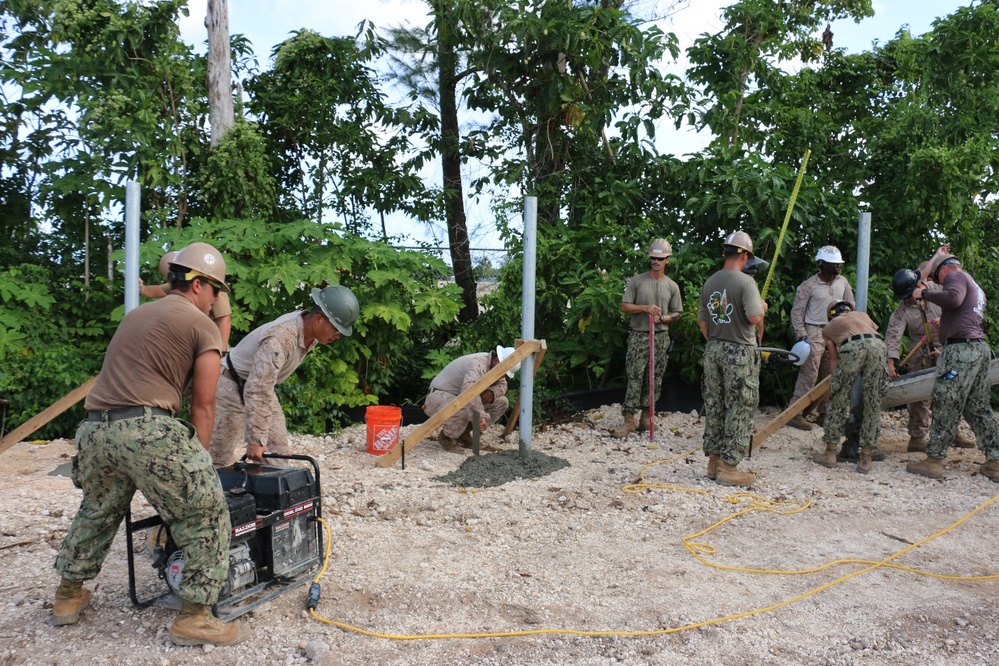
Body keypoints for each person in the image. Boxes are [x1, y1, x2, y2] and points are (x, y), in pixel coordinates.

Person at [53, 242, 250, 646]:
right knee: (206, 512)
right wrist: (203, 465)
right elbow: (204, 404)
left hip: (94, 429)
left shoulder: (137, 315)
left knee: (98, 510)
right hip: (146, 430)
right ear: (197, 285)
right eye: (216, 289)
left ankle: (68, 596)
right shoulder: (202, 326)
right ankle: (195, 616)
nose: (217, 299)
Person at [208, 284, 359, 466]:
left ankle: (274, 492)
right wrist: (256, 440)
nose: (338, 335)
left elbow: (262, 387)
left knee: (278, 456)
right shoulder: (281, 338)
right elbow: (257, 388)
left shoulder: (312, 334)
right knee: (217, 458)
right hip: (230, 385)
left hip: (262, 387)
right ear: (319, 319)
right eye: (336, 329)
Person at [906, 247, 999, 481]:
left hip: (961, 351)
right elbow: (960, 307)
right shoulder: (974, 286)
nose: (938, 282)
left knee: (945, 401)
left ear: (945, 269)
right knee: (977, 407)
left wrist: (924, 295)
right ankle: (995, 461)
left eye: (938, 278)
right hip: (977, 349)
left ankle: (934, 460)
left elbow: (953, 297)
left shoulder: (956, 276)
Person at [697, 231, 766, 487]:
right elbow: (754, 318)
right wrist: (762, 307)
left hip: (713, 348)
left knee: (715, 405)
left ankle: (713, 462)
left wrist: (715, 340)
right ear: (745, 255)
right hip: (739, 351)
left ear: (726, 252)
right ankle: (729, 467)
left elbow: (702, 321)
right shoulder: (746, 283)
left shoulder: (710, 281)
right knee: (740, 406)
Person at [887, 267, 975, 452]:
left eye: (909, 295)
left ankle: (953, 432)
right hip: (919, 349)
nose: (907, 299)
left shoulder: (939, 289)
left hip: (947, 345)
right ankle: (917, 437)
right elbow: (893, 334)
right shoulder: (903, 310)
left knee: (952, 390)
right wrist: (891, 362)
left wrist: (945, 318)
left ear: (918, 286)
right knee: (919, 395)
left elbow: (961, 304)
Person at [610, 238, 683, 438]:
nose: (656, 262)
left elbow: (677, 313)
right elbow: (625, 306)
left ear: (667, 259)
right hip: (639, 335)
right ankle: (628, 420)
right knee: (635, 376)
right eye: (653, 258)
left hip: (660, 337)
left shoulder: (672, 286)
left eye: (660, 258)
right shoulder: (637, 281)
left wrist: (663, 318)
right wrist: (644, 308)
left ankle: (646, 418)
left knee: (655, 378)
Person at [812, 301, 888, 474]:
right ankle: (866, 459)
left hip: (852, 347)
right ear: (849, 309)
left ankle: (830, 453)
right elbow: (871, 335)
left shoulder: (829, 327)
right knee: (873, 402)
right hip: (878, 346)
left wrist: (835, 382)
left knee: (838, 400)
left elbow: (833, 358)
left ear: (831, 315)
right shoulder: (863, 315)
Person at [786, 245, 854, 431]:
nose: (839, 267)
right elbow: (797, 312)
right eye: (834, 264)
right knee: (810, 372)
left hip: (835, 330)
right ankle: (795, 413)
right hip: (814, 331)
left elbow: (851, 305)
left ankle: (826, 413)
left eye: (839, 264)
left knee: (832, 373)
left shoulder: (843, 282)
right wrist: (802, 335)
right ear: (823, 264)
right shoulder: (809, 285)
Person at [424, 346, 518, 452]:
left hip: (460, 396)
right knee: (462, 406)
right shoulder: (478, 364)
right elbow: (468, 392)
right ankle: (447, 437)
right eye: (504, 373)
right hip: (439, 395)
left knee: (502, 402)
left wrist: (492, 392)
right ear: (497, 361)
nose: (503, 376)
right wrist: (480, 415)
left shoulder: (495, 367)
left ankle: (462, 433)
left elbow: (502, 385)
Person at [140, 249, 233, 349]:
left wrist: (221, 351)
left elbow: (224, 320)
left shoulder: (211, 287)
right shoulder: (181, 285)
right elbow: (157, 291)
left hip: (211, 341)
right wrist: (141, 288)